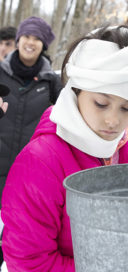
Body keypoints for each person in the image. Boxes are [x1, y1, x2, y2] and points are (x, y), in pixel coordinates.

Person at [1, 24, 128, 271]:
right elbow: (29, 261)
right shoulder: (41, 161)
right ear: (75, 93)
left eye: (127, 108)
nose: (113, 120)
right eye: (100, 103)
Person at [0, 16, 63, 205]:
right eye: (26, 36)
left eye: (37, 38)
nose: (30, 42)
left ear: (43, 45)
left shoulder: (51, 82)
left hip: (30, 172)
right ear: (18, 40)